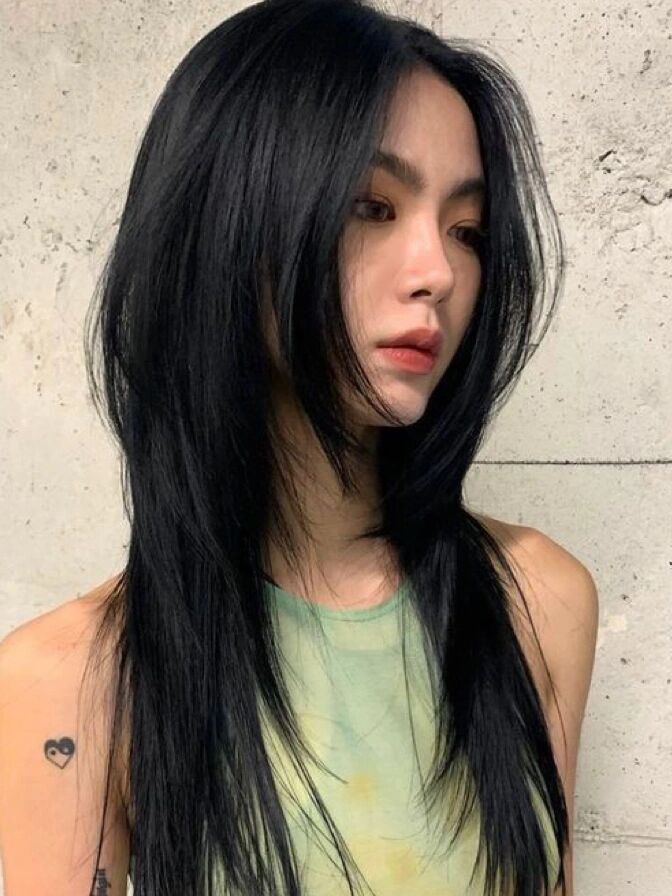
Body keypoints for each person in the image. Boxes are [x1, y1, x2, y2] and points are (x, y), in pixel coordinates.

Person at [0, 1, 599, 894]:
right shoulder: (73, 681)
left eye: (467, 230)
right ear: (228, 224)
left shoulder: (536, 603)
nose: (437, 271)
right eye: (372, 206)